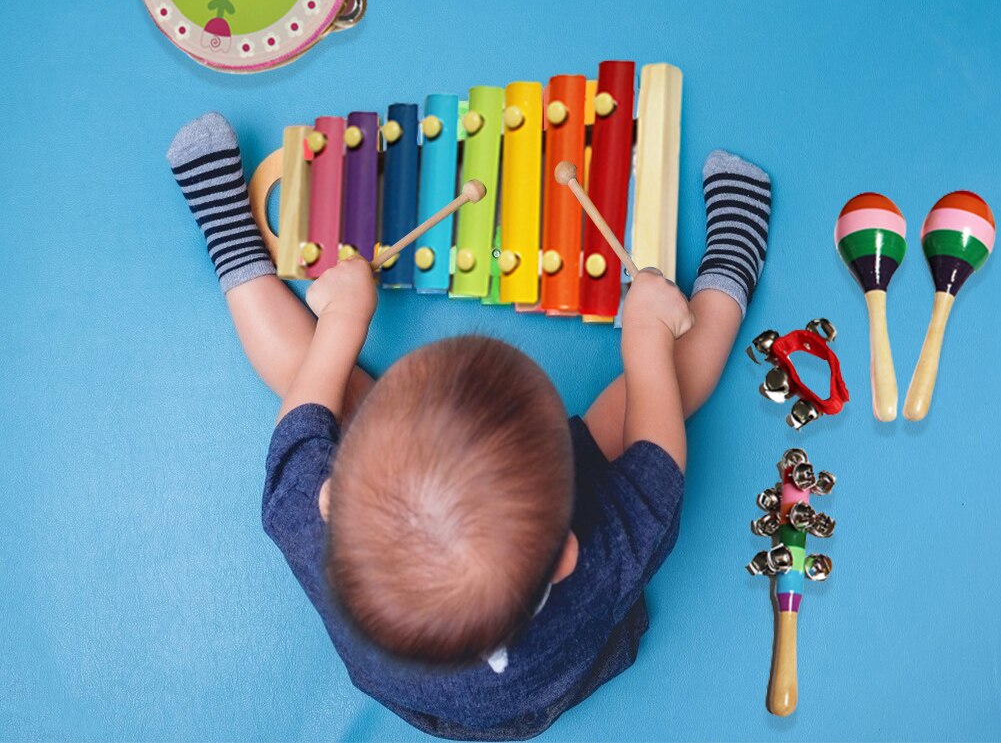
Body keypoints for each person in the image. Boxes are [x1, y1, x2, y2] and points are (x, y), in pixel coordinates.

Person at [167, 112, 771, 740]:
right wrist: (645, 333)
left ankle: (230, 238)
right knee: (652, 393)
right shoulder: (597, 568)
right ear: (565, 550)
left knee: (320, 379)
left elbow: (301, 416)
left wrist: (342, 321)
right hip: (558, 672)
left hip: (421, 689)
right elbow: (657, 455)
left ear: (332, 495)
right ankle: (731, 264)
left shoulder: (312, 523)